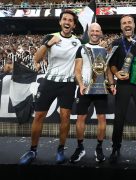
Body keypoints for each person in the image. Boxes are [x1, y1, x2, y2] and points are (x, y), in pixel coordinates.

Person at [19, 10, 81, 165]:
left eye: (70, 20)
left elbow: (80, 64)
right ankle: (33, 150)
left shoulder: (77, 42)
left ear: (73, 25)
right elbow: (37, 58)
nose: (67, 22)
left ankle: (61, 149)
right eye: (64, 19)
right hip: (49, 82)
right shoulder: (50, 37)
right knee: (39, 116)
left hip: (68, 83)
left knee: (65, 117)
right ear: (60, 22)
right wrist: (48, 44)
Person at [108, 14, 136, 163]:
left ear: (134, 25)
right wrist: (116, 74)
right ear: (121, 27)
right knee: (119, 117)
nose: (127, 25)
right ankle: (115, 148)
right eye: (124, 23)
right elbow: (112, 64)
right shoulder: (116, 42)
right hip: (123, 84)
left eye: (129, 22)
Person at [69, 23, 116, 164]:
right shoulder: (81, 49)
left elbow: (107, 70)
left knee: (102, 118)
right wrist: (81, 84)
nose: (95, 33)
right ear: (89, 32)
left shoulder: (104, 50)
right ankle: (80, 147)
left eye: (97, 31)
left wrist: (112, 84)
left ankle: (99, 148)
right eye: (92, 31)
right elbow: (77, 69)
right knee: (80, 118)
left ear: (101, 33)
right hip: (84, 88)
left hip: (100, 89)